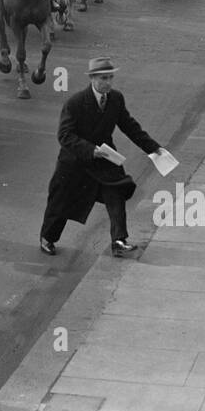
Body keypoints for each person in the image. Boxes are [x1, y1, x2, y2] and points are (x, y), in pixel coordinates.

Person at [39, 57, 165, 259]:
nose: (108, 82)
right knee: (60, 203)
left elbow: (130, 126)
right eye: (103, 78)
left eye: (110, 78)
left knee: (116, 194)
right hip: (75, 162)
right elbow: (65, 136)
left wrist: (153, 148)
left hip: (105, 160)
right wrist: (90, 150)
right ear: (92, 79)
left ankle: (119, 241)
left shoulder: (115, 99)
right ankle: (48, 238)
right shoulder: (75, 103)